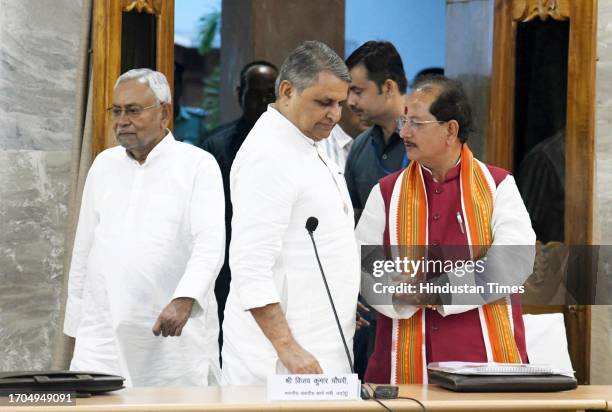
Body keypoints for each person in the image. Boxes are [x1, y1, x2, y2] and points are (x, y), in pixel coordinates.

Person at [356, 75, 536, 384]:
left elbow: (511, 264)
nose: (404, 132)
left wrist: (432, 292)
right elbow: (362, 267)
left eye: (416, 123)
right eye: (403, 121)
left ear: (450, 129)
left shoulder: (498, 186)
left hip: (483, 361)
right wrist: (396, 294)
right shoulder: (386, 192)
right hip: (401, 366)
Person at [63, 69, 225, 387]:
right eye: (118, 111)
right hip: (102, 334)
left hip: (169, 334)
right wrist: (76, 323)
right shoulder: (103, 165)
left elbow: (210, 244)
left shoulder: (197, 166)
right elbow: (84, 249)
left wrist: (185, 298)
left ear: (164, 112)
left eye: (133, 110)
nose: (122, 121)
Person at [222, 41, 360, 385]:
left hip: (321, 343)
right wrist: (287, 347)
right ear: (286, 91)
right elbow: (249, 265)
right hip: (282, 360)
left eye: (340, 103)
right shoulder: (269, 155)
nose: (335, 115)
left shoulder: (306, 142)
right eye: (324, 102)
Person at [199, 61, 278, 352]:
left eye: (270, 95)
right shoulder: (215, 146)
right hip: (227, 268)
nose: (262, 102)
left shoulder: (293, 145)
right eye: (254, 93)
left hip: (277, 264)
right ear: (239, 93)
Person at [344, 41, 409, 221]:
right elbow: (353, 218)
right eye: (348, 92)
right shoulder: (360, 146)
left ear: (388, 87)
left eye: (358, 91)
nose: (350, 102)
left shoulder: (430, 140)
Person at [321, 101, 371, 170]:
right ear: (338, 104)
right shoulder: (319, 149)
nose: (370, 110)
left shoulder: (384, 143)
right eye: (358, 93)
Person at [173, 62, 206, 145]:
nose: (170, 90)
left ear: (181, 87)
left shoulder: (195, 121)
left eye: (174, 84)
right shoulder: (149, 122)